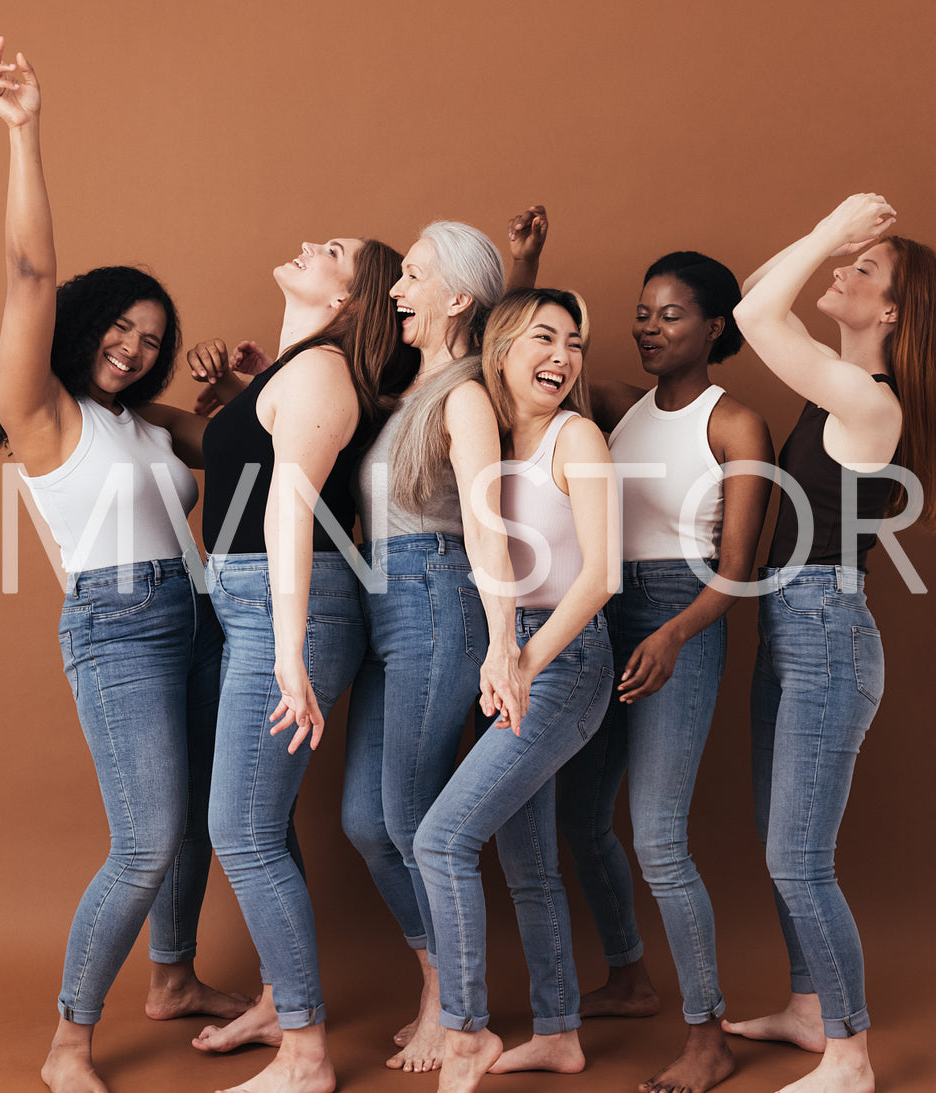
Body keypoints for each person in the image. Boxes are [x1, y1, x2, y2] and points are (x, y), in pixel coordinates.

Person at [0, 37, 248, 1093]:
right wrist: (23, 129)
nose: (135, 349)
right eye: (121, 330)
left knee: (196, 827)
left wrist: (232, 387)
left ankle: (172, 979)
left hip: (192, 617)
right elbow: (29, 271)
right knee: (142, 839)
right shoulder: (39, 411)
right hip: (117, 626)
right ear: (83, 324)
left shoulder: (140, 425)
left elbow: (231, 439)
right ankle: (68, 1042)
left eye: (152, 336)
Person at [722, 194, 936, 1093]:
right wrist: (832, 245)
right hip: (793, 625)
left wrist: (836, 224)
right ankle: (807, 1007)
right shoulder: (834, 384)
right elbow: (761, 291)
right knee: (776, 838)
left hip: (825, 633)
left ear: (891, 315)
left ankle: (849, 1055)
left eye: (862, 273)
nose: (839, 271)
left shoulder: (869, 403)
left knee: (798, 857)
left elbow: (757, 312)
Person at [192, 229, 417, 1093]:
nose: (306, 243)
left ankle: (306, 1053)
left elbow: (293, 510)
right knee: (258, 820)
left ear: (349, 302)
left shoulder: (322, 374)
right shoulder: (302, 371)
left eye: (330, 249)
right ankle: (279, 1006)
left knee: (242, 831)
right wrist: (244, 386)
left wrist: (286, 651)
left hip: (290, 605)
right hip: (258, 599)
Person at [558, 251, 773, 1093]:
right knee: (580, 813)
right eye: (642, 312)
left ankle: (706, 1032)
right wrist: (530, 261)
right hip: (602, 615)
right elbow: (519, 353)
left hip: (682, 618)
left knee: (655, 834)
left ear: (715, 327)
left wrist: (676, 634)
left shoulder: (735, 422)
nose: (649, 326)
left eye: (671, 314)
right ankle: (628, 976)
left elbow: (736, 569)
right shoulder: (617, 408)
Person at [340, 214, 546, 1073]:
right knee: (364, 818)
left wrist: (503, 639)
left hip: (436, 599)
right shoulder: (406, 394)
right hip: (385, 605)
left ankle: (453, 1005)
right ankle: (436, 972)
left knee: (409, 818)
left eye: (414, 275)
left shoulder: (464, 394)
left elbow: (484, 523)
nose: (396, 289)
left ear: (457, 297)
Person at [413, 289, 618, 1093]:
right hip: (511, 655)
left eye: (574, 342)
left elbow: (600, 576)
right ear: (500, 348)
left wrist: (525, 662)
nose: (562, 356)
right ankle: (559, 1030)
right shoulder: (491, 439)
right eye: (545, 337)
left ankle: (464, 1031)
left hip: (561, 659)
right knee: (527, 861)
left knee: (442, 839)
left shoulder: (579, 437)